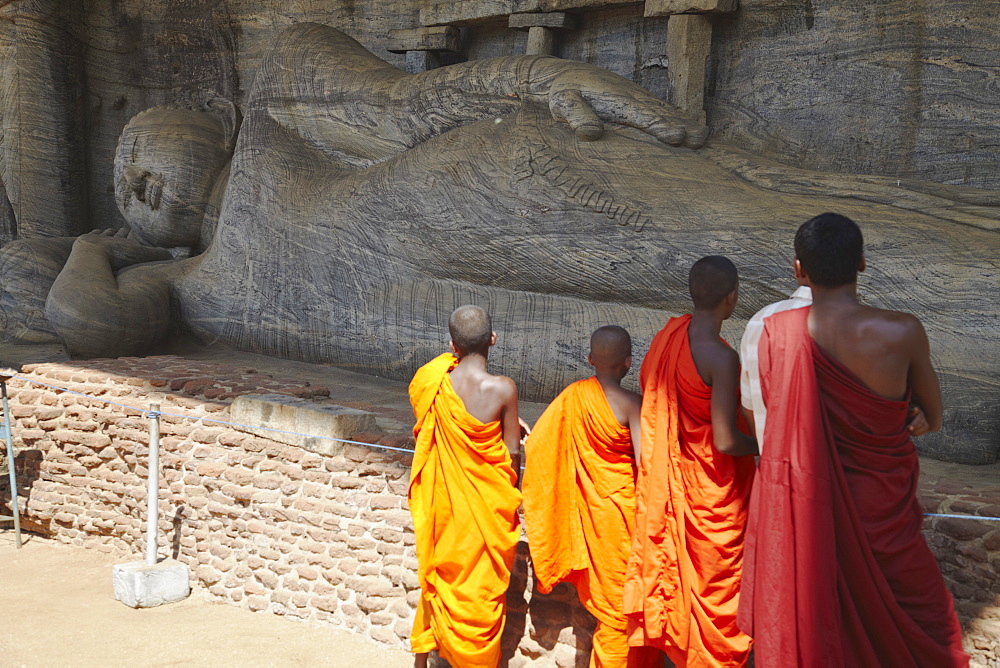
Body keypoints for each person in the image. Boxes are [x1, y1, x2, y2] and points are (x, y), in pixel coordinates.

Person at [737, 213, 969, 666]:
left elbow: (765, 416)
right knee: (927, 622)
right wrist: (913, 415)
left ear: (798, 269)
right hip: (881, 504)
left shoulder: (775, 333)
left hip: (804, 504)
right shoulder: (901, 330)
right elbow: (933, 416)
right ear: (862, 263)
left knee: (815, 614)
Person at [623, 256, 757, 667]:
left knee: (676, 583)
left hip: (675, 481)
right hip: (711, 492)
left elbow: (655, 401)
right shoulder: (721, 357)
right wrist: (766, 444)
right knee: (715, 589)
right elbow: (725, 439)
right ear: (732, 299)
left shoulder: (668, 337)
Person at [522, 325, 661, 668]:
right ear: (629, 362)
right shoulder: (633, 403)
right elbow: (648, 466)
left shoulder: (574, 395)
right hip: (623, 517)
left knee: (615, 612)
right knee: (622, 612)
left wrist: (527, 438)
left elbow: (541, 445)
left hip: (597, 516)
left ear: (589, 360)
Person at [407, 305, 523, 668]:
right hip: (485, 511)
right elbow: (512, 456)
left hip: (446, 508)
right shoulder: (503, 389)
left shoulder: (437, 383)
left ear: (451, 345)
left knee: (443, 576)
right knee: (480, 593)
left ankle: (439, 651)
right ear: (493, 339)